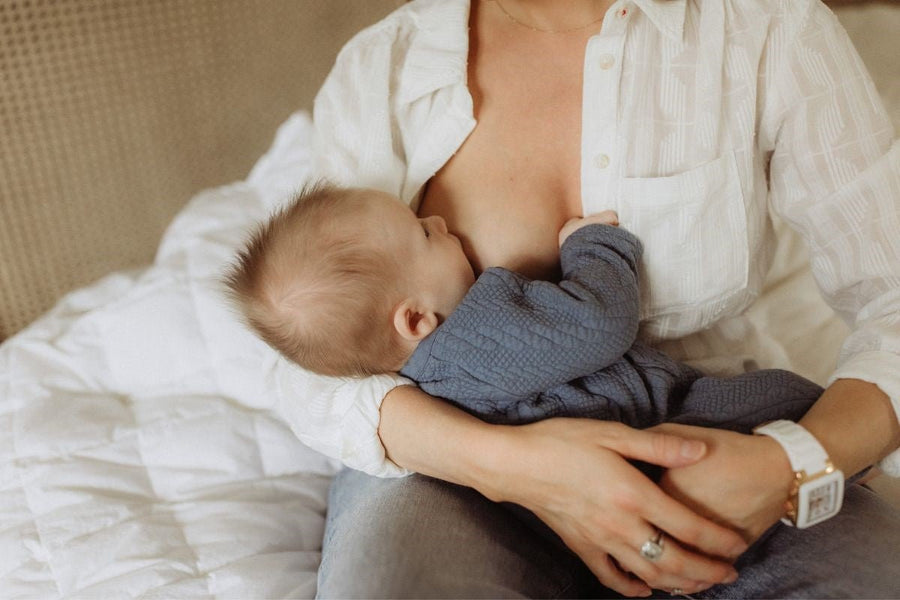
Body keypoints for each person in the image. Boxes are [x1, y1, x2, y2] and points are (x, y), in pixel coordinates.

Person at [269, 0, 900, 596]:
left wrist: (791, 463)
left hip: (715, 444)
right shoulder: (384, 67)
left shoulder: (768, 29)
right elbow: (314, 356)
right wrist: (513, 466)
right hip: (456, 463)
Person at [230, 183, 821, 438]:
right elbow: (597, 324)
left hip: (626, 433)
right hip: (658, 421)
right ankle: (846, 456)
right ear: (416, 320)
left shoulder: (428, 373)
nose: (437, 220)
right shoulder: (483, 332)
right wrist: (592, 246)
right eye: (423, 235)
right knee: (786, 397)